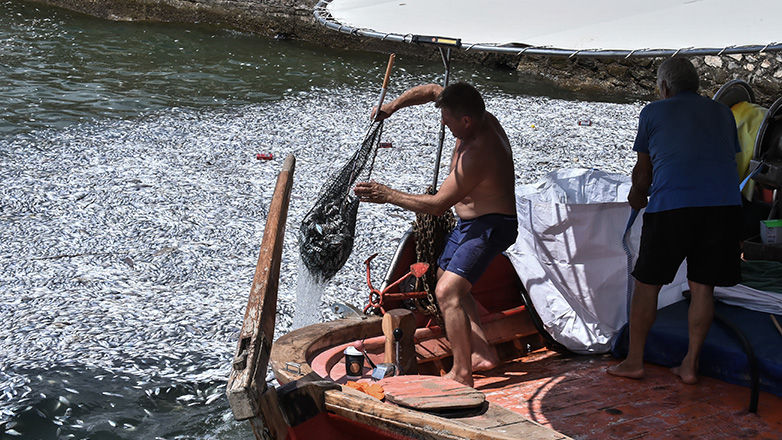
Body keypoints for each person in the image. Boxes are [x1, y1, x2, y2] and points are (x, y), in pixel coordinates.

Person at [354, 82, 518, 387]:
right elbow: (432, 89)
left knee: (447, 292)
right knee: (445, 273)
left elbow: (438, 204)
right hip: (470, 223)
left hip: (493, 224)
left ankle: (462, 373)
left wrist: (386, 193)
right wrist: (391, 107)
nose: (443, 122)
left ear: (466, 121)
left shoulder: (478, 153)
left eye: (448, 119)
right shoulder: (473, 114)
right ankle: (481, 352)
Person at [608, 57, 742, 384]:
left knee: (647, 283)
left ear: (664, 87)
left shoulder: (653, 111)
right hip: (724, 206)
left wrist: (637, 196)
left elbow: (643, 173)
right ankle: (690, 366)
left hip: (673, 206)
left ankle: (634, 361)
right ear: (697, 86)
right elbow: (727, 160)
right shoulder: (723, 112)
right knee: (702, 287)